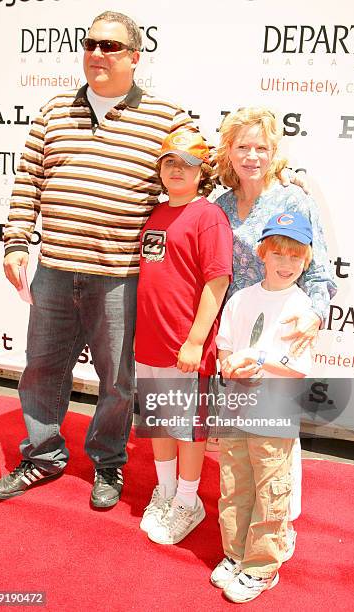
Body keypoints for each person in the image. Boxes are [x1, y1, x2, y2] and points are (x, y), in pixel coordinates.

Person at [0, 11, 195, 508]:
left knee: (119, 381)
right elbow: (28, 182)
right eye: (90, 44)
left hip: (122, 276)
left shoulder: (168, 118)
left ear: (134, 57)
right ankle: (41, 455)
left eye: (110, 46)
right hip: (56, 269)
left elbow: (194, 180)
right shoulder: (53, 111)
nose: (97, 54)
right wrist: (17, 240)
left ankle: (108, 462)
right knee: (40, 368)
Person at [213, 106, 337, 557]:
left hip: (282, 325)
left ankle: (275, 538)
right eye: (243, 146)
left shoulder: (292, 199)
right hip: (238, 327)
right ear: (229, 150)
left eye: (261, 147)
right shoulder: (220, 204)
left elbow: (319, 269)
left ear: (274, 152)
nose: (251, 156)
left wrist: (314, 315)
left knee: (275, 446)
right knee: (241, 447)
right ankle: (244, 536)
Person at [135, 128, 233, 544]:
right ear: (160, 169)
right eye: (170, 162)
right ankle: (167, 492)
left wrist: (195, 341)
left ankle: (188, 500)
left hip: (185, 348)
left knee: (187, 429)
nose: (177, 170)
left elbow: (217, 281)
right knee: (159, 423)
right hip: (150, 342)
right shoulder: (155, 214)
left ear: (201, 172)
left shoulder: (207, 215)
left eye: (187, 164)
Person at [212, 211, 315, 603]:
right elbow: (224, 342)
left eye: (295, 256)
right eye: (278, 253)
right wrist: (228, 362)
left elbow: (298, 367)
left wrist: (256, 360)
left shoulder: (302, 308)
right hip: (236, 408)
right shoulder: (241, 298)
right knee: (234, 484)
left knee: (271, 490)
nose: (286, 264)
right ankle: (235, 553)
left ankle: (261, 566)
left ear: (306, 260)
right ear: (262, 253)